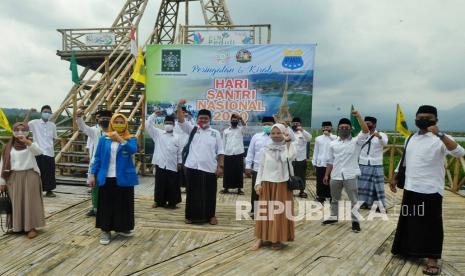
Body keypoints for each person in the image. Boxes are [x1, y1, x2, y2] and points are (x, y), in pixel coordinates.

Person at [390, 105, 465, 276]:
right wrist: (395, 177)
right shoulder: (411, 138)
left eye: (428, 117)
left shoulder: (441, 138)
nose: (423, 120)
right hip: (410, 187)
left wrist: (439, 134)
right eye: (420, 117)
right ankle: (408, 250)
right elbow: (404, 160)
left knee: (431, 226)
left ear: (436, 120)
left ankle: (432, 260)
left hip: (431, 190)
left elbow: (459, 153)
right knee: (409, 221)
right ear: (415, 119)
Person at [89, 113, 139, 245]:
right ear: (112, 122)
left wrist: (120, 140)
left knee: (122, 203)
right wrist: (92, 173)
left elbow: (133, 149)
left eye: (121, 122)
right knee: (106, 204)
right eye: (116, 121)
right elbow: (97, 157)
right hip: (106, 176)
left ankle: (121, 227)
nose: (119, 124)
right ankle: (105, 231)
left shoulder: (131, 138)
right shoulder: (104, 139)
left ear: (126, 124)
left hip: (124, 177)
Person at [176, 99, 224, 225]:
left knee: (210, 193)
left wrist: (220, 167)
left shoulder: (216, 133)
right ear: (197, 119)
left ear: (210, 119)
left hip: (209, 168)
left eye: (205, 118)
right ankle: (190, 216)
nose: (202, 120)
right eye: (201, 118)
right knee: (192, 193)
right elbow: (181, 119)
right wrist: (179, 106)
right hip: (192, 167)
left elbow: (221, 152)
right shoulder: (192, 129)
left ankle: (211, 216)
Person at [322, 111, 369, 233]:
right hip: (335, 175)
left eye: (346, 128)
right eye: (341, 127)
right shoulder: (332, 144)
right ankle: (333, 217)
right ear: (338, 129)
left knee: (353, 200)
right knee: (334, 198)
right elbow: (330, 161)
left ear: (350, 129)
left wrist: (359, 116)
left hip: (350, 175)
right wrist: (327, 175)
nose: (344, 129)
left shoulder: (356, 142)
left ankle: (355, 221)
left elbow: (365, 131)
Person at [251, 123, 296, 250]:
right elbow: (261, 167)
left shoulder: (289, 146)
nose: (275, 136)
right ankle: (260, 238)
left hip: (282, 183)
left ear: (283, 133)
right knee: (264, 212)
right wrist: (258, 183)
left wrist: (287, 143)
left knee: (279, 212)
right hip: (267, 182)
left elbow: (288, 158)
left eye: (278, 133)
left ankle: (277, 239)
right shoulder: (265, 149)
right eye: (273, 133)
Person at [0, 122, 45, 239]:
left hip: (30, 175)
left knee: (30, 202)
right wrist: (2, 182)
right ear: (13, 131)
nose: (20, 132)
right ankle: (17, 227)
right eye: (17, 130)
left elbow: (39, 152)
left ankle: (31, 227)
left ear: (27, 131)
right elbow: (2, 164)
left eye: (23, 130)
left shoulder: (31, 144)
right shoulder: (8, 147)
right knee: (15, 202)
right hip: (13, 177)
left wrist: (27, 142)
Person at [76, 108, 113, 216]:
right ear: (99, 120)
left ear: (111, 120)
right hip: (97, 164)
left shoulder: (115, 132)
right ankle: (95, 208)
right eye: (103, 118)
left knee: (108, 187)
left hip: (111, 165)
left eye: (107, 118)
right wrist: (79, 117)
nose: (105, 120)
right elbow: (83, 127)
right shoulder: (95, 131)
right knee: (95, 187)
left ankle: (108, 207)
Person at [146, 113, 182, 209]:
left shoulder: (177, 137)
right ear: (163, 124)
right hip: (160, 163)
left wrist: (179, 162)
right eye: (166, 123)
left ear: (174, 125)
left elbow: (179, 151)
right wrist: (154, 115)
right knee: (159, 183)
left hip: (173, 164)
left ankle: (172, 202)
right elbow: (148, 125)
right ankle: (158, 202)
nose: (168, 124)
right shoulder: (158, 133)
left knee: (172, 184)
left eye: (170, 123)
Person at [357, 116, 389, 211]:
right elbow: (357, 143)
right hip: (363, 162)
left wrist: (379, 137)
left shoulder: (382, 134)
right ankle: (363, 203)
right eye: (365, 123)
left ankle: (380, 206)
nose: (366, 125)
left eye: (368, 123)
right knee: (362, 185)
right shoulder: (361, 134)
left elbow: (385, 143)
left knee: (377, 186)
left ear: (374, 124)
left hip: (376, 163)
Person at [245, 116, 275, 215]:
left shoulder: (277, 137)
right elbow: (250, 152)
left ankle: (268, 211)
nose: (266, 126)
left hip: (272, 170)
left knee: (270, 190)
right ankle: (255, 210)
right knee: (256, 189)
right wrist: (248, 166)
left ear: (274, 125)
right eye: (264, 124)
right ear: (261, 125)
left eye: (269, 124)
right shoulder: (256, 136)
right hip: (257, 168)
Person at [28, 105, 58, 197]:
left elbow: (54, 138)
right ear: (41, 113)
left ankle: (49, 190)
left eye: (49, 112)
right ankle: (36, 191)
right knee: (37, 172)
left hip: (49, 152)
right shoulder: (34, 123)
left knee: (49, 172)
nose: (47, 114)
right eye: (45, 112)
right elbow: (23, 125)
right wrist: (29, 113)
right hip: (38, 151)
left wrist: (49, 146)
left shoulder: (52, 125)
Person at [221, 113, 246, 195]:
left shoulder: (241, 129)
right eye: (233, 120)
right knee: (227, 172)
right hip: (228, 153)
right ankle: (226, 188)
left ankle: (239, 189)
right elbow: (224, 143)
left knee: (238, 171)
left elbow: (244, 125)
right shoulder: (226, 131)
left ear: (238, 121)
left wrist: (241, 118)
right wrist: (223, 154)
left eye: (236, 120)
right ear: (230, 121)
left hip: (238, 153)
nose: (234, 121)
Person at [312, 121, 337, 203]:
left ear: (331, 128)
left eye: (328, 127)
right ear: (322, 128)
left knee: (330, 180)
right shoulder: (318, 138)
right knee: (320, 180)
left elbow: (336, 143)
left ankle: (331, 196)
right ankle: (321, 196)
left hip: (331, 163)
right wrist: (314, 162)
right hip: (320, 162)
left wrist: (329, 135)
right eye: (325, 127)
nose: (326, 128)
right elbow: (316, 151)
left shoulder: (335, 137)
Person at [290, 117, 312, 198]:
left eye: (297, 123)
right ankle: (290, 190)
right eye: (294, 123)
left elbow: (310, 138)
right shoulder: (289, 132)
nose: (295, 125)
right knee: (290, 175)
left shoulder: (304, 133)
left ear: (300, 124)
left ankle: (302, 190)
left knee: (301, 175)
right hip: (291, 158)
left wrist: (302, 130)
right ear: (291, 124)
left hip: (301, 158)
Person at [174, 107, 194, 191]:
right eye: (179, 112)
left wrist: (190, 117)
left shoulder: (190, 123)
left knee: (187, 169)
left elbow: (195, 130)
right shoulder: (174, 124)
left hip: (187, 149)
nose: (181, 114)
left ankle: (187, 187)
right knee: (177, 169)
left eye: (183, 112)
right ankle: (177, 186)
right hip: (176, 149)